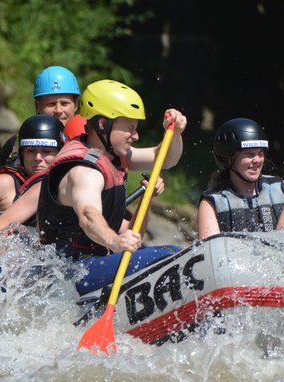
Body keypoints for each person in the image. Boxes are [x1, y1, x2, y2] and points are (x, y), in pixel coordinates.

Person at [35, 79, 187, 295]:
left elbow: (164, 159)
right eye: (130, 128)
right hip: (66, 273)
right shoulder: (84, 171)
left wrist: (176, 133)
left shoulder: (114, 156)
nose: (135, 136)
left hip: (92, 263)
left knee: (172, 252)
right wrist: (115, 241)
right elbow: (88, 215)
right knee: (163, 257)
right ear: (103, 124)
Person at [197, 118, 284, 239]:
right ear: (228, 158)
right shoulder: (211, 204)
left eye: (260, 153)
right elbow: (210, 249)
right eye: (249, 154)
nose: (257, 160)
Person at [0, 66, 85, 167]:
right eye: (51, 104)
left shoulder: (89, 139)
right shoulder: (16, 145)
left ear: (76, 105)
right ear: (37, 106)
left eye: (64, 103)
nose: (58, 110)